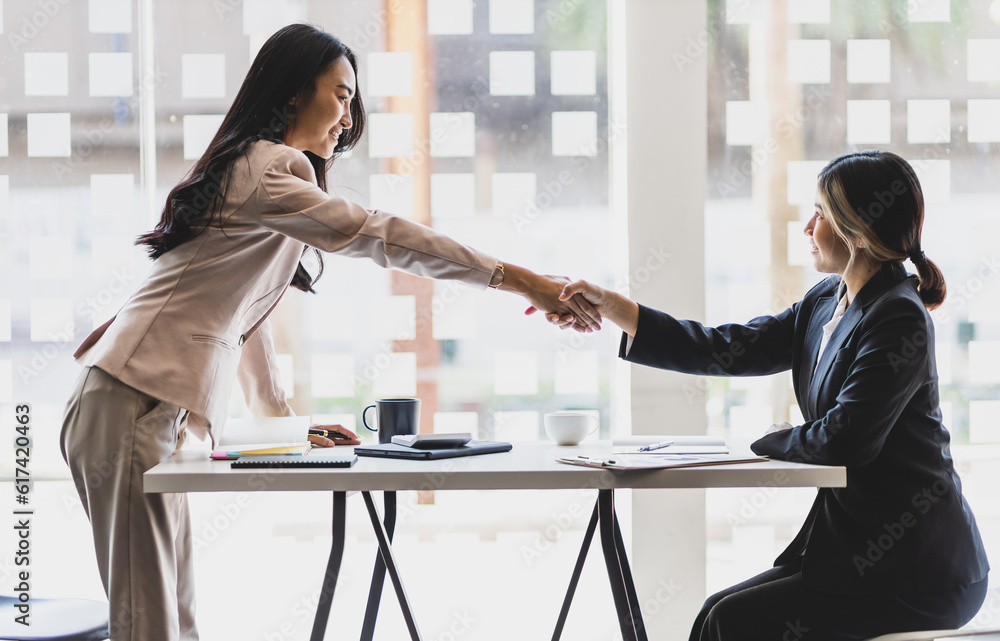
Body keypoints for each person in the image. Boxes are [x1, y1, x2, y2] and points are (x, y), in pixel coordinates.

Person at [60, 24, 599, 641]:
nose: (348, 116)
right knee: (150, 622)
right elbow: (381, 234)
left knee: (170, 617)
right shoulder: (269, 170)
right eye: (340, 95)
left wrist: (287, 427)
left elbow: (237, 321)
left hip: (135, 402)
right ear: (293, 93)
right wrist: (520, 279)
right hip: (130, 398)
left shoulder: (253, 172)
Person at [550, 150, 989, 640]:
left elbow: (847, 438)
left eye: (820, 212)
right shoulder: (826, 300)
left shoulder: (898, 316)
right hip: (856, 552)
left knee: (730, 622)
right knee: (715, 611)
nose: (807, 226)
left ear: (857, 230)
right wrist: (613, 306)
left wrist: (774, 439)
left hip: (917, 570)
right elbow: (728, 348)